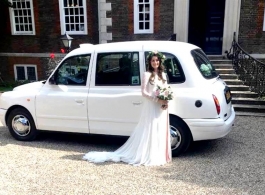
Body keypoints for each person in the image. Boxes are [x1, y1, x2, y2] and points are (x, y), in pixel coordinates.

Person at [83, 51, 172, 166]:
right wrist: (156, 99)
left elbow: (166, 90)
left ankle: (160, 154)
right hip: (151, 105)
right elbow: (144, 92)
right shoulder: (147, 74)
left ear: (160, 62)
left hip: (161, 107)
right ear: (150, 62)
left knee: (160, 128)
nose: (155, 62)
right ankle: (149, 155)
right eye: (153, 60)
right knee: (150, 128)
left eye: (157, 60)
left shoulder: (163, 75)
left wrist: (166, 101)